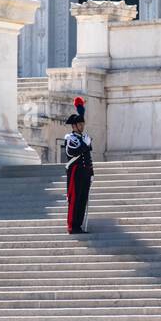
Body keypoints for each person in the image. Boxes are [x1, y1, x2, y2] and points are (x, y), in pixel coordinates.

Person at [64, 97, 93, 235]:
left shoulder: (84, 138)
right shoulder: (70, 138)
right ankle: (72, 226)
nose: (82, 126)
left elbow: (88, 156)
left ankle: (79, 225)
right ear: (74, 126)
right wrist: (85, 145)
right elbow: (73, 152)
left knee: (83, 199)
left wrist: (91, 172)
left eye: (83, 124)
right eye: (79, 124)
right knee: (74, 199)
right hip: (75, 173)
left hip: (85, 173)